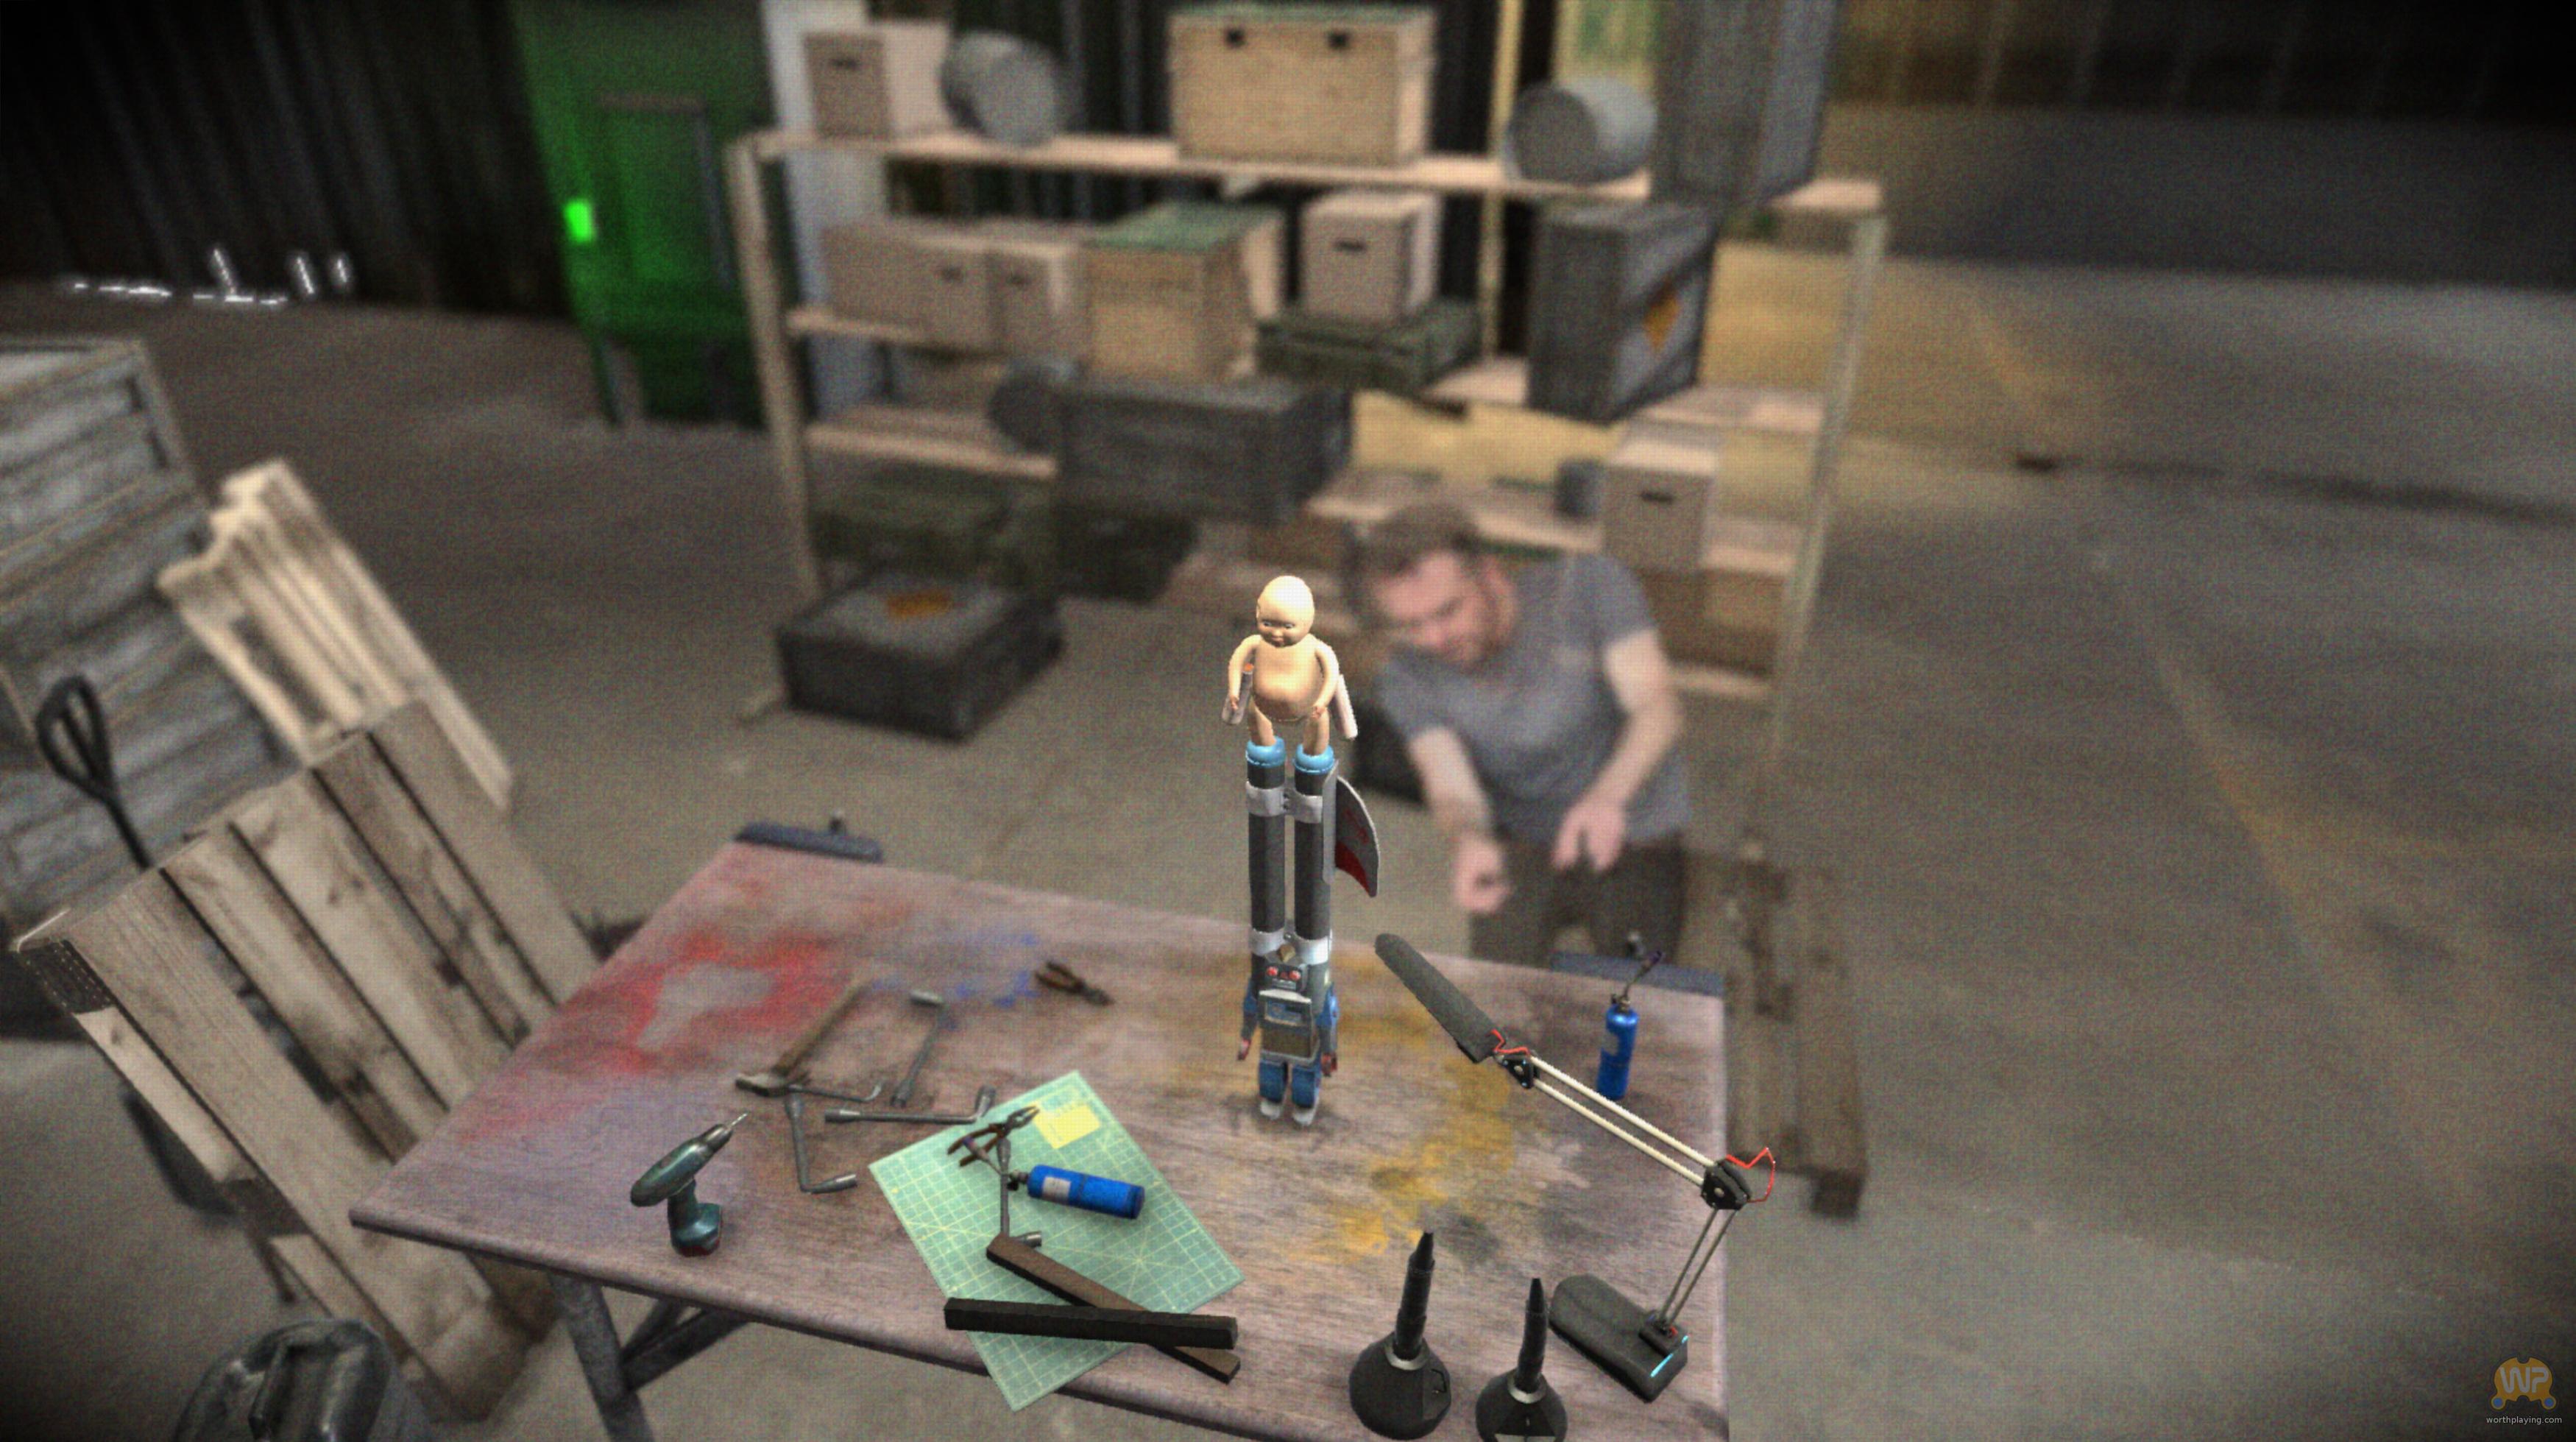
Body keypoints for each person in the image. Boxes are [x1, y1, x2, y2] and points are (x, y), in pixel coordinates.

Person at [1359, 503, 1688, 969]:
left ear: (1491, 576)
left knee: (1641, 987)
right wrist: (1468, 838)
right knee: (1495, 995)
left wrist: (1607, 798)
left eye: (1448, 611)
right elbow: (1447, 780)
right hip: (1520, 836)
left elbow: (1657, 706)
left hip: (1636, 820)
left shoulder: (1589, 587)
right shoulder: (1406, 674)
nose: (1433, 639)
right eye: (1412, 625)